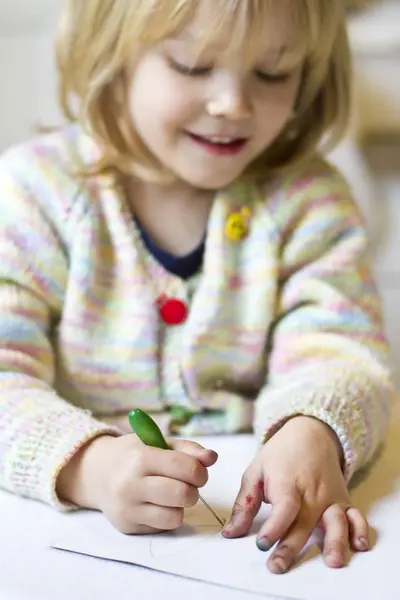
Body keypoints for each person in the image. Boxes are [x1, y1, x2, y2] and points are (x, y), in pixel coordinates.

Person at [0, 0, 394, 575]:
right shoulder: (35, 192)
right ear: (115, 56)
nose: (232, 105)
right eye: (190, 66)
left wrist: (314, 431)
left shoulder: (311, 200)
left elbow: (342, 352)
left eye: (272, 72)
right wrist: (90, 466)